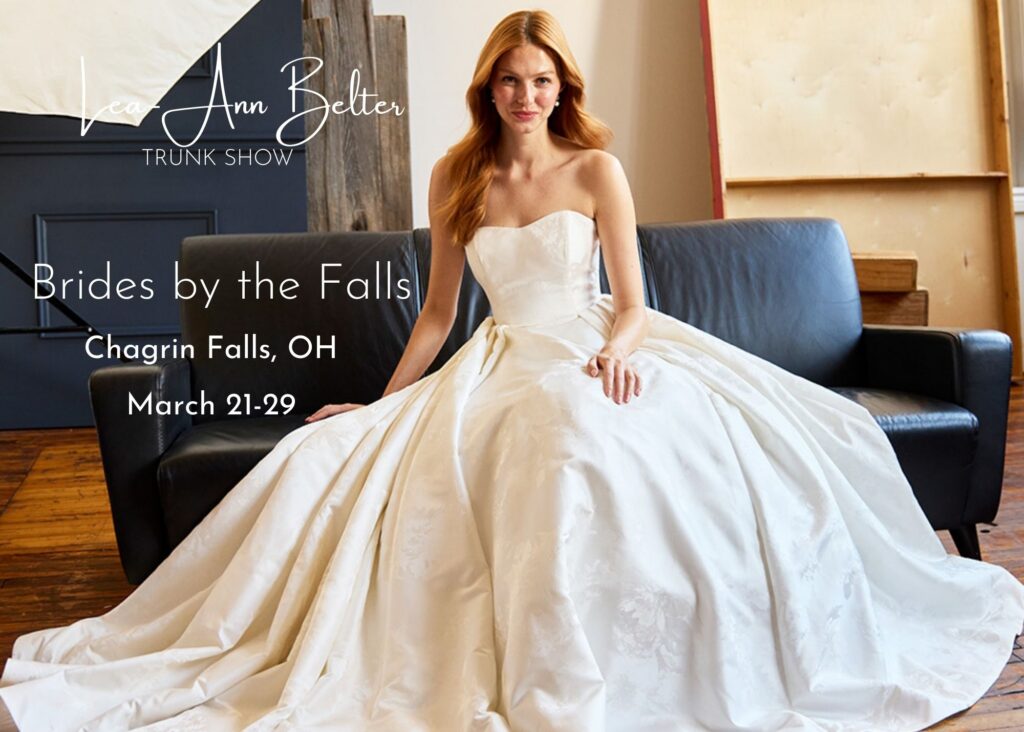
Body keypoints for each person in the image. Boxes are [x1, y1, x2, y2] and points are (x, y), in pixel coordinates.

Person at [2, 9, 1024, 731]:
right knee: (454, 444)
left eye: (541, 81)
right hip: (498, 360)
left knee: (590, 429)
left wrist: (619, 354)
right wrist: (381, 403)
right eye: (509, 80)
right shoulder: (458, 177)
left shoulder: (596, 169)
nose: (526, 95)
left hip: (595, 346)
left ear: (559, 88)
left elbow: (632, 300)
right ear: (487, 87)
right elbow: (438, 314)